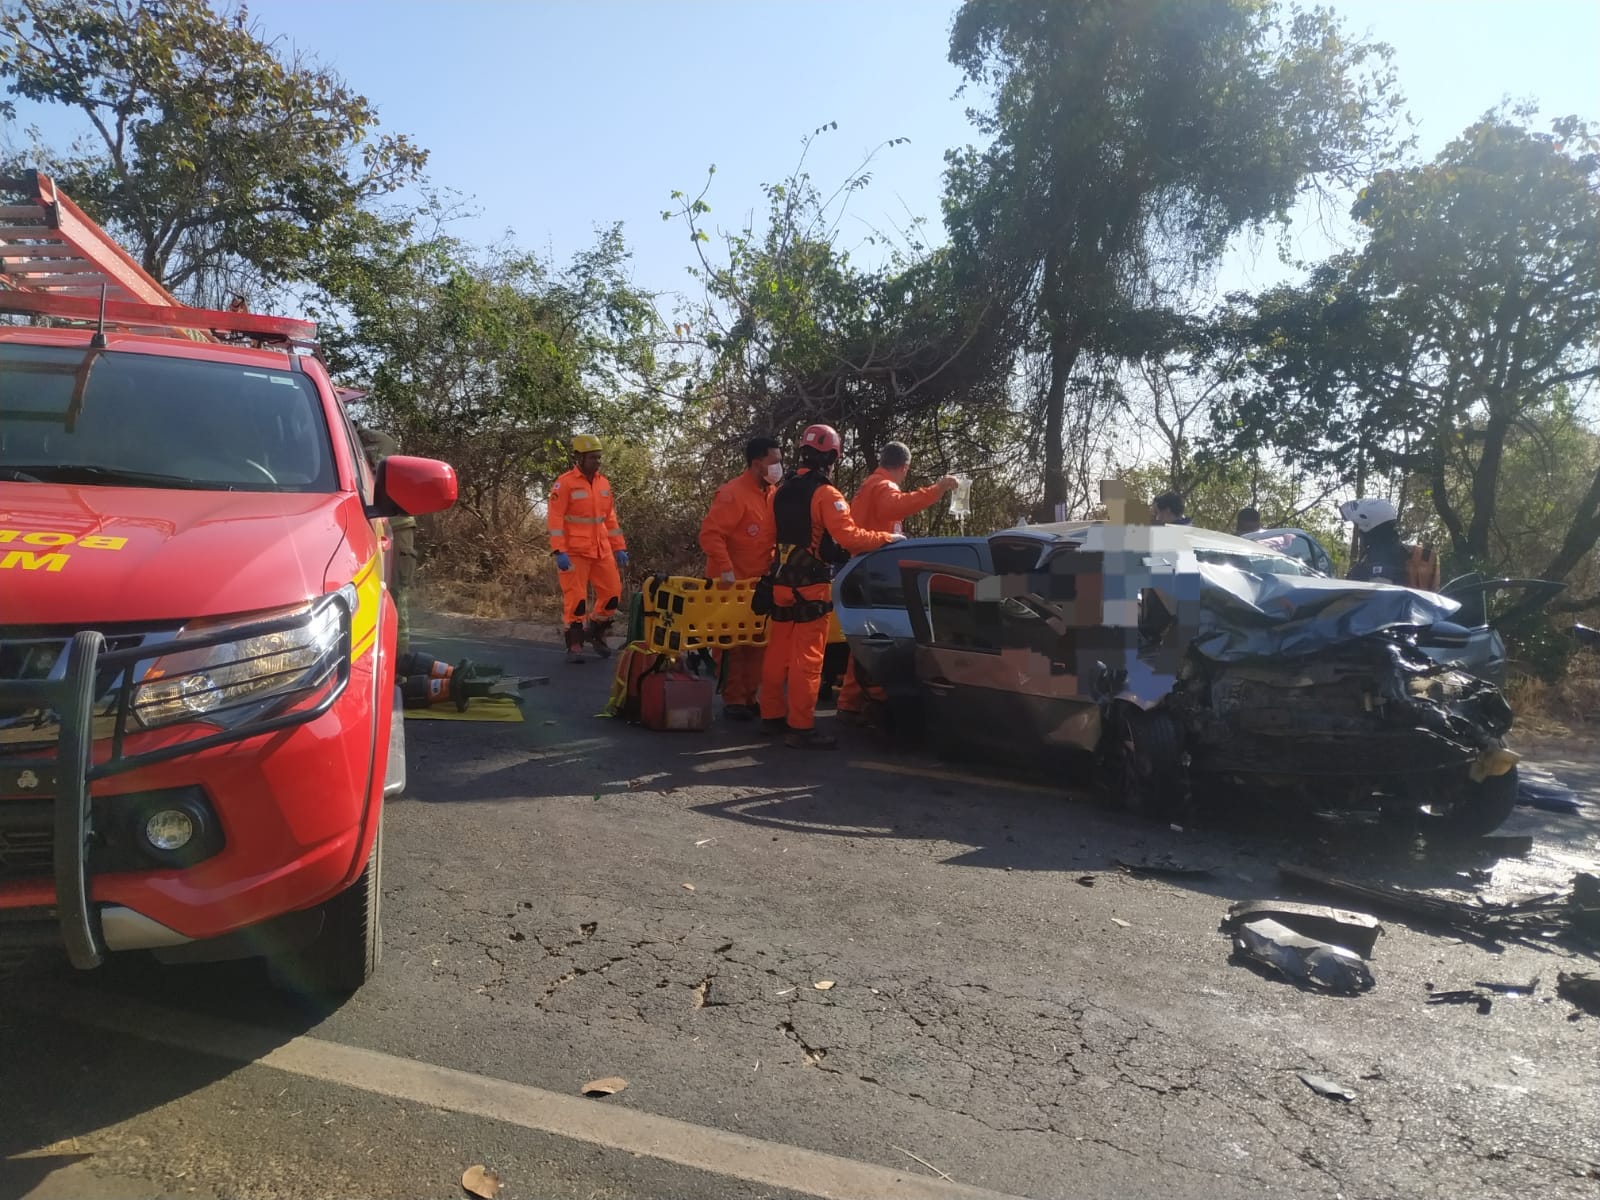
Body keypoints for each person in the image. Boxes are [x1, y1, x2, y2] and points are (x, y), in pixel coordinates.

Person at [759, 424, 900, 749]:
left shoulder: (780, 491)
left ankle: (771, 717)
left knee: (777, 653)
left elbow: (769, 538)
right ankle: (801, 726)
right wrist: (887, 537)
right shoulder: (826, 494)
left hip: (781, 583)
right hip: (811, 586)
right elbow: (850, 537)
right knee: (807, 660)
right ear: (832, 456)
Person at [835, 441, 959, 719]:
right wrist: (937, 489)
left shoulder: (870, 485)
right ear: (904, 467)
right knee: (877, 639)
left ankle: (852, 700)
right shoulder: (884, 487)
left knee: (866, 641)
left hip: (864, 566)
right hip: (875, 568)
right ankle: (867, 699)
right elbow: (897, 507)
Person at [698, 436, 783, 720]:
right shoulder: (733, 494)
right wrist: (726, 568)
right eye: (774, 462)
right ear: (757, 464)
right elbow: (710, 534)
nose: (778, 467)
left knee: (758, 643)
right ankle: (734, 698)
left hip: (759, 585)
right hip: (730, 585)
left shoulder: (772, 495)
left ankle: (750, 696)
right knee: (731, 645)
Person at [548, 434, 629, 663]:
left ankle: (596, 631)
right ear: (579, 458)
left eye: (599, 457)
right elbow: (555, 519)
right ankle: (574, 644)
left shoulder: (604, 483)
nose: (597, 461)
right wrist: (559, 550)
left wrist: (619, 547)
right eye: (593, 457)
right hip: (573, 552)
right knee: (577, 600)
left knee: (612, 594)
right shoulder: (564, 483)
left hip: (601, 549)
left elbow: (610, 518)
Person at [354, 423, 418, 658]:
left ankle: (397, 667)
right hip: (367, 528)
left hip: (394, 529)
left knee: (393, 599)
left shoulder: (374, 443)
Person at [1340, 497, 1414, 585]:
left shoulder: (1382, 559)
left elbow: (1378, 596)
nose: (1359, 531)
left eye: (1360, 526)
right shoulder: (1400, 552)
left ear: (1370, 526)